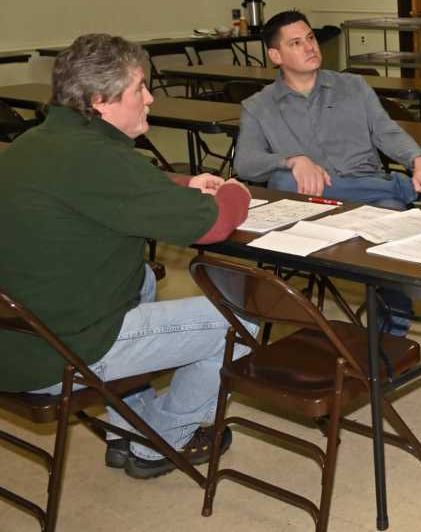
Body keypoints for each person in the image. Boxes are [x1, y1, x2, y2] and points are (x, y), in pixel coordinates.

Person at [0, 34, 252, 479]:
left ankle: (128, 432)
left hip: (16, 337)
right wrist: (235, 190)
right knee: (240, 325)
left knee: (144, 282)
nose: (151, 98)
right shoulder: (97, 157)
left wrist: (182, 186)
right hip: (57, 351)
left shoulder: (34, 145)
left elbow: (109, 192)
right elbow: (213, 224)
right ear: (101, 100)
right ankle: (161, 440)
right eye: (140, 88)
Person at [233, 10, 421, 331]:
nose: (310, 47)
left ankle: (390, 339)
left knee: (394, 222)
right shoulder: (258, 106)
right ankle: (404, 189)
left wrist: (419, 161)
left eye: (311, 38)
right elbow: (244, 162)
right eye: (296, 43)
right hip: (312, 207)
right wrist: (292, 159)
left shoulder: (353, 86)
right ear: (276, 55)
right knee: (282, 179)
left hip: (367, 191)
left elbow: (386, 131)